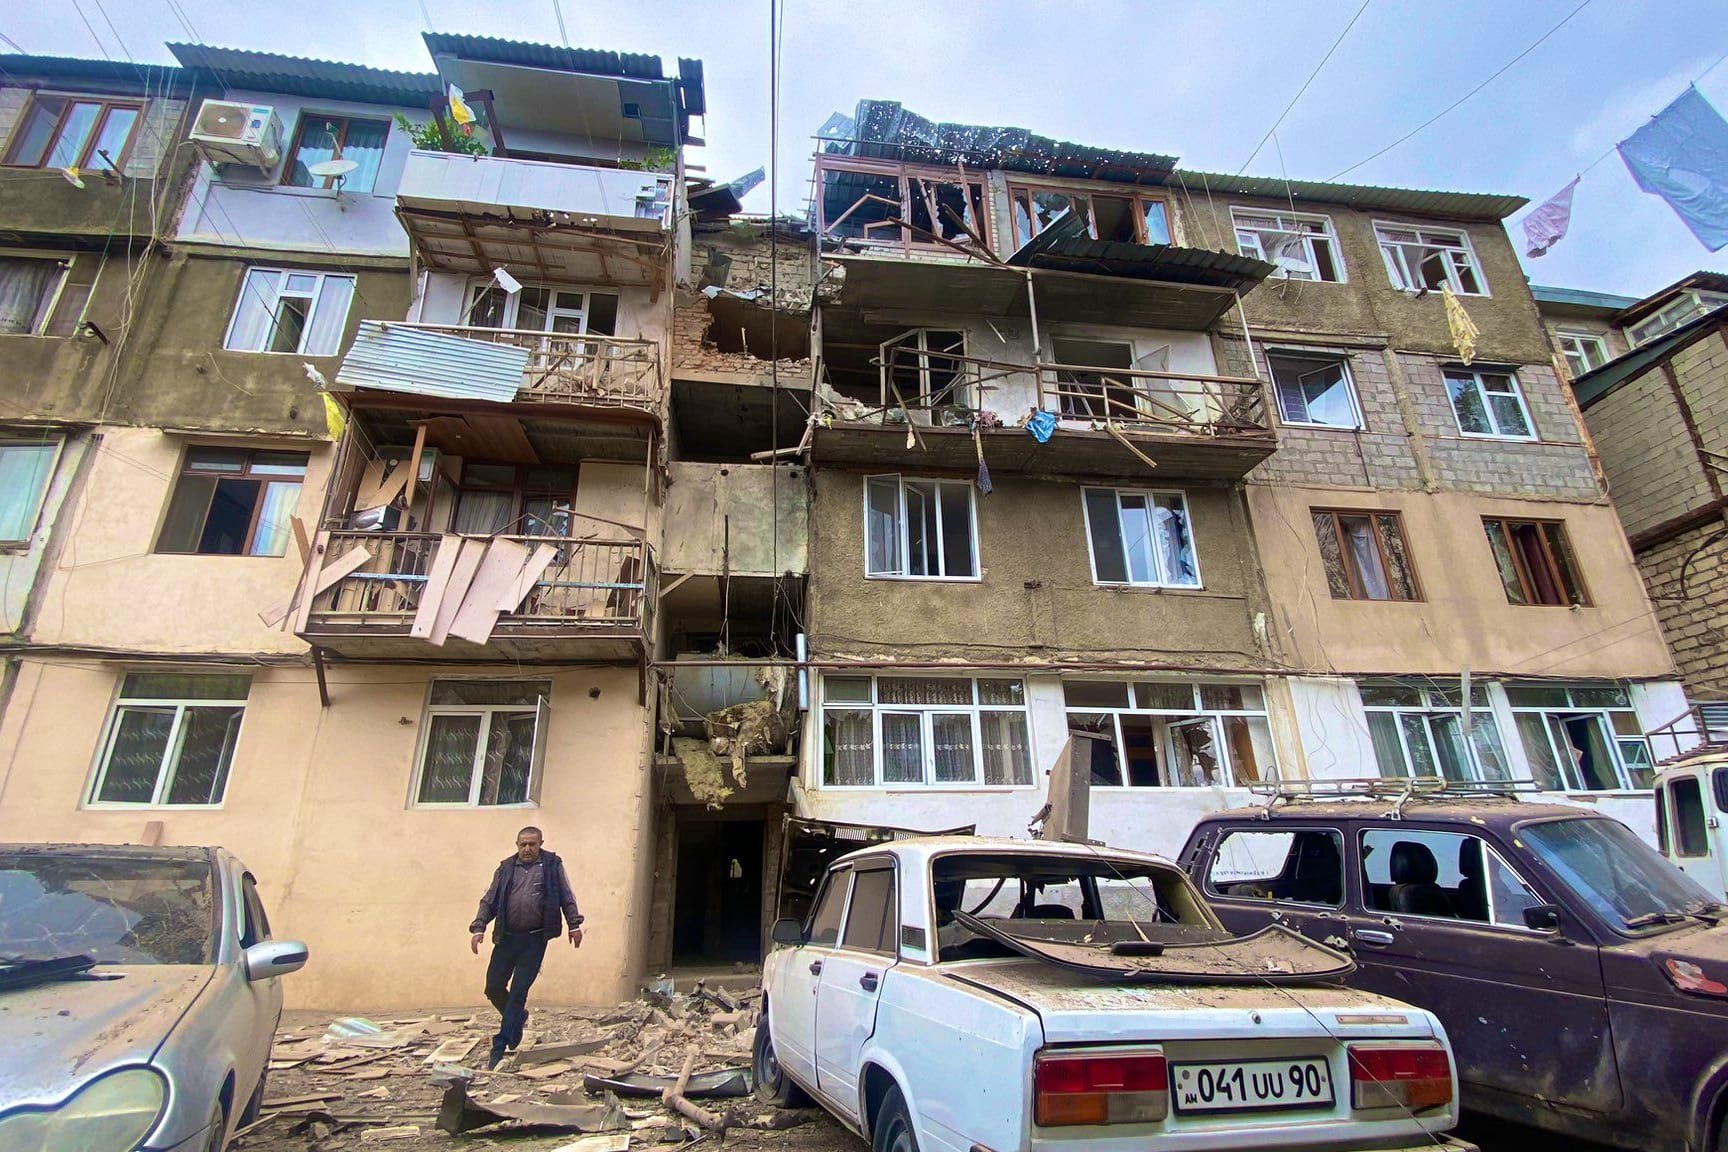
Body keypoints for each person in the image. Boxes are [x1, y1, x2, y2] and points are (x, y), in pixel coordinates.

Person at [470, 826, 583, 1068]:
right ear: (517, 844)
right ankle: (518, 1019)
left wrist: (574, 924)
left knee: (519, 992)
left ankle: (499, 1047)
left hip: (534, 940)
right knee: (493, 987)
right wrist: (478, 927)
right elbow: (489, 899)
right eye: (523, 844)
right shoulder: (506, 867)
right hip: (507, 937)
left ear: (541, 843)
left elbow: (566, 895)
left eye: (532, 844)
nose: (528, 849)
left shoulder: (552, 865)